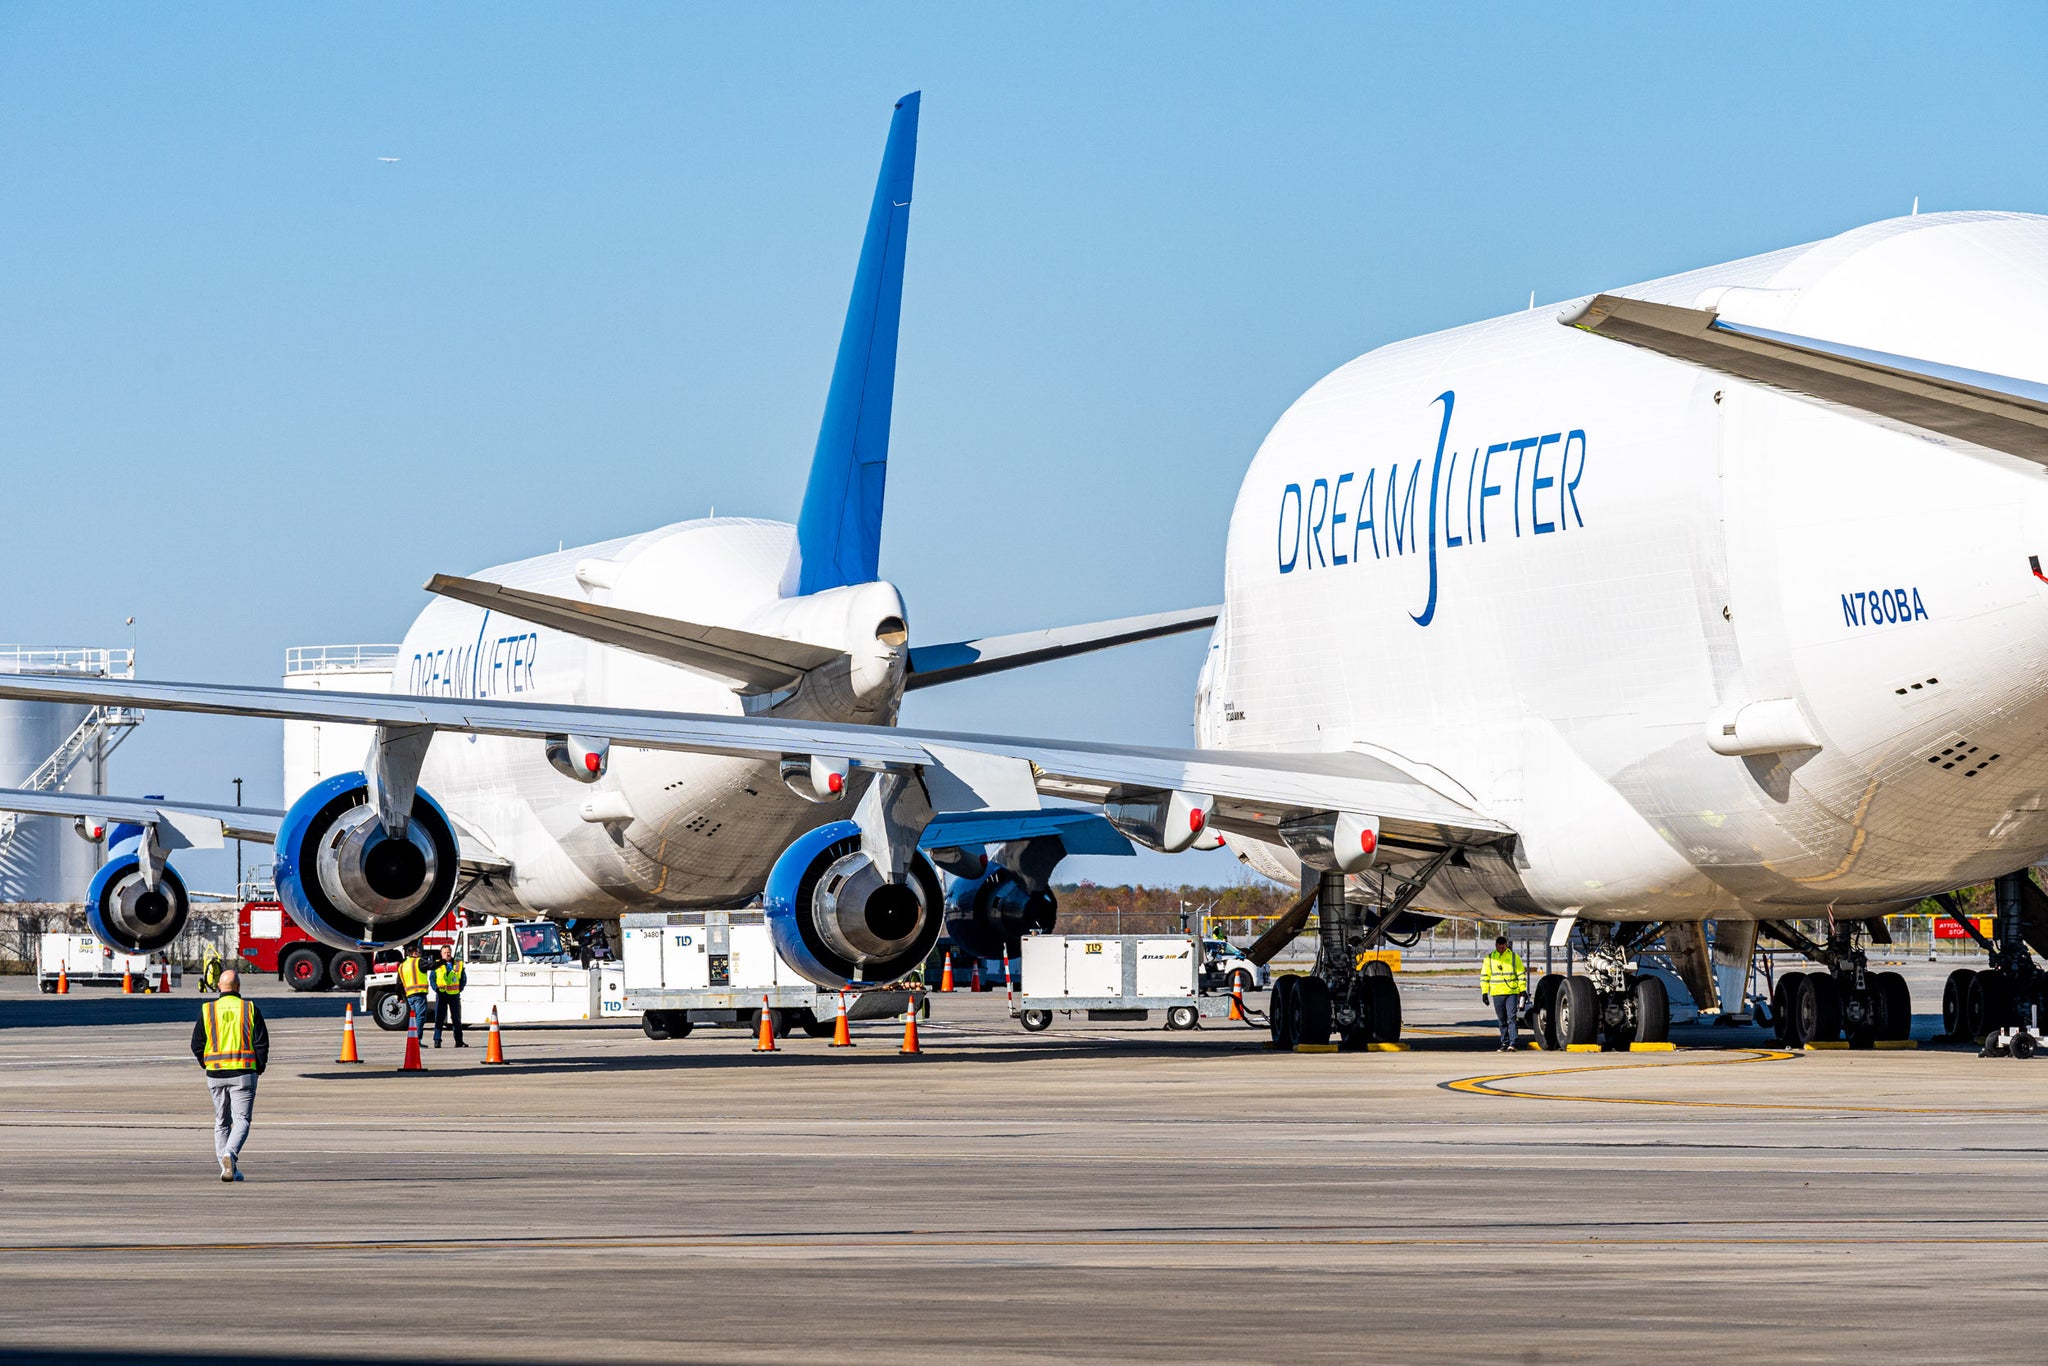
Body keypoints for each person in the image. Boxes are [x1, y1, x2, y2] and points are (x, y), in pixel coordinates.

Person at [190, 967, 267, 1181]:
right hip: (243, 1073)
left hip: (215, 1074)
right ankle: (229, 1155)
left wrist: (206, 1064)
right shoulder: (249, 1008)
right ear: (238, 987)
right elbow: (261, 1043)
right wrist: (258, 1068)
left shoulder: (208, 1010)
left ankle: (225, 1167)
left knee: (221, 1121)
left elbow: (196, 1044)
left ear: (218, 988)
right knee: (241, 1120)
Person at [1481, 934, 1528, 1052]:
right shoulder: (1489, 958)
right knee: (1501, 1019)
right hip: (1497, 993)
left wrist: (1522, 990)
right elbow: (1485, 976)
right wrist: (1484, 993)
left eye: (1503, 947)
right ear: (1496, 946)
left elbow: (1521, 974)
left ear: (1506, 946)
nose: (1501, 949)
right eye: (1499, 947)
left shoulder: (1513, 957)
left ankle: (1513, 1043)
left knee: (1511, 1017)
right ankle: (1504, 1042)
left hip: (1511, 991)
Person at [432, 950, 467, 1048]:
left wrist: (460, 988)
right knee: (439, 1019)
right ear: (441, 954)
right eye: (445, 952)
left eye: (448, 952)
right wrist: (436, 989)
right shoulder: (437, 964)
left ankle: (459, 1041)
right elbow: (432, 979)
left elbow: (463, 978)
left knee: (456, 1019)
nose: (447, 954)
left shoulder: (457, 964)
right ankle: (437, 1040)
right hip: (441, 995)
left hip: (454, 995)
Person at [398, 942, 432, 1036]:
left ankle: (412, 1037)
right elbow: (431, 965)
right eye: (418, 952)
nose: (420, 954)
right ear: (414, 953)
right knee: (420, 1017)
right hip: (419, 994)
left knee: (413, 1017)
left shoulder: (402, 965)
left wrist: (400, 997)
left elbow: (399, 983)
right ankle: (417, 1038)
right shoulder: (418, 962)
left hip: (409, 996)